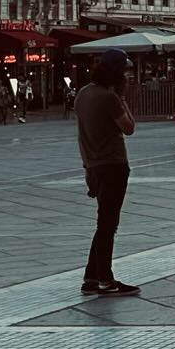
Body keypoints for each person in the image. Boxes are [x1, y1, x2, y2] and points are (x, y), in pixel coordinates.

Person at [74, 51, 139, 297]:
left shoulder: (83, 94)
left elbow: (80, 135)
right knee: (108, 224)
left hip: (93, 165)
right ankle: (105, 279)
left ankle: (92, 276)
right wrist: (121, 98)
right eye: (125, 72)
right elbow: (129, 128)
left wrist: (87, 167)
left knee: (104, 222)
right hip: (113, 164)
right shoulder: (109, 97)